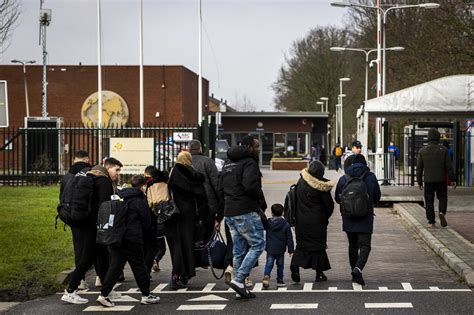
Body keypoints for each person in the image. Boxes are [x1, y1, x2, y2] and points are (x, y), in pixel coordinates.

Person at [61, 157, 122, 305]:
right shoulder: (104, 181)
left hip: (88, 224)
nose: (118, 173)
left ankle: (107, 290)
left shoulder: (92, 176)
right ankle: (70, 291)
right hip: (95, 227)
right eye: (116, 170)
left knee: (101, 257)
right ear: (108, 168)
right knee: (87, 259)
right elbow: (105, 207)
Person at [96, 175, 160, 307]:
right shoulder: (139, 200)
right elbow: (146, 222)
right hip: (132, 239)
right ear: (143, 186)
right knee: (139, 267)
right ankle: (146, 295)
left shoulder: (121, 197)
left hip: (117, 238)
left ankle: (104, 294)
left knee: (115, 267)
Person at [218, 135, 266, 299]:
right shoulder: (249, 162)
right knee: (258, 244)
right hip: (245, 210)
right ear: (249, 147)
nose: (259, 149)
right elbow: (250, 186)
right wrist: (260, 200)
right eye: (257, 146)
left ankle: (240, 287)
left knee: (238, 249)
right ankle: (239, 280)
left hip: (230, 212)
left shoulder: (227, 163)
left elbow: (220, 188)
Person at [166, 151, 210, 289]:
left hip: (174, 214)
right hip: (189, 215)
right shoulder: (194, 176)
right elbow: (202, 198)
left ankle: (177, 274)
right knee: (188, 244)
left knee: (177, 245)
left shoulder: (173, 173)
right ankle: (186, 273)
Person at [335, 154, 381, 286]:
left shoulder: (344, 178)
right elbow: (377, 197)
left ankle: (353, 271)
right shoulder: (371, 177)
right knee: (365, 246)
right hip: (365, 217)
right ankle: (358, 269)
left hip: (348, 217)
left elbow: (338, 198)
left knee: (352, 245)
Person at [290, 161, 334, 283]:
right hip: (317, 221)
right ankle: (319, 273)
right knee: (318, 246)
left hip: (301, 221)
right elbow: (329, 206)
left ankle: (295, 265)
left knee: (302, 245)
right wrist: (324, 217)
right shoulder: (322, 187)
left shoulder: (301, 182)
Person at [59, 150, 92, 291]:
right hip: (87, 215)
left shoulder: (67, 176)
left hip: (71, 215)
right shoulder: (90, 172)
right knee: (92, 246)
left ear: (74, 160)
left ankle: (81, 281)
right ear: (87, 159)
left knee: (78, 247)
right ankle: (100, 278)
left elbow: (62, 196)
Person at [417, 128, 456, 228]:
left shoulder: (422, 151)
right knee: (443, 197)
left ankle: (431, 221)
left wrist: (419, 182)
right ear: (438, 138)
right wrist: (453, 179)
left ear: (428, 138)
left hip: (428, 180)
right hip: (441, 180)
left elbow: (419, 168)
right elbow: (449, 167)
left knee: (429, 201)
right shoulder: (444, 150)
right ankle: (442, 212)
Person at [143, 165, 169, 275]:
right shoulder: (166, 184)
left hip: (152, 221)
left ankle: (147, 270)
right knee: (162, 248)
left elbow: (148, 204)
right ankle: (156, 261)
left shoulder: (149, 186)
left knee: (150, 248)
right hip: (165, 219)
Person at [189, 140, 220, 228]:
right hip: (207, 202)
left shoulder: (184, 162)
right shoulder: (208, 161)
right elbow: (216, 183)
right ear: (200, 148)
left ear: (188, 149)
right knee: (208, 230)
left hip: (190, 204)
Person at [262, 204, 294, 288]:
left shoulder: (268, 223)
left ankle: (266, 275)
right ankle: (280, 280)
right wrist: (291, 250)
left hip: (270, 248)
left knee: (269, 263)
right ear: (283, 212)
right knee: (280, 265)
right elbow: (289, 238)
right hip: (280, 249)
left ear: (272, 213)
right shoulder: (286, 224)